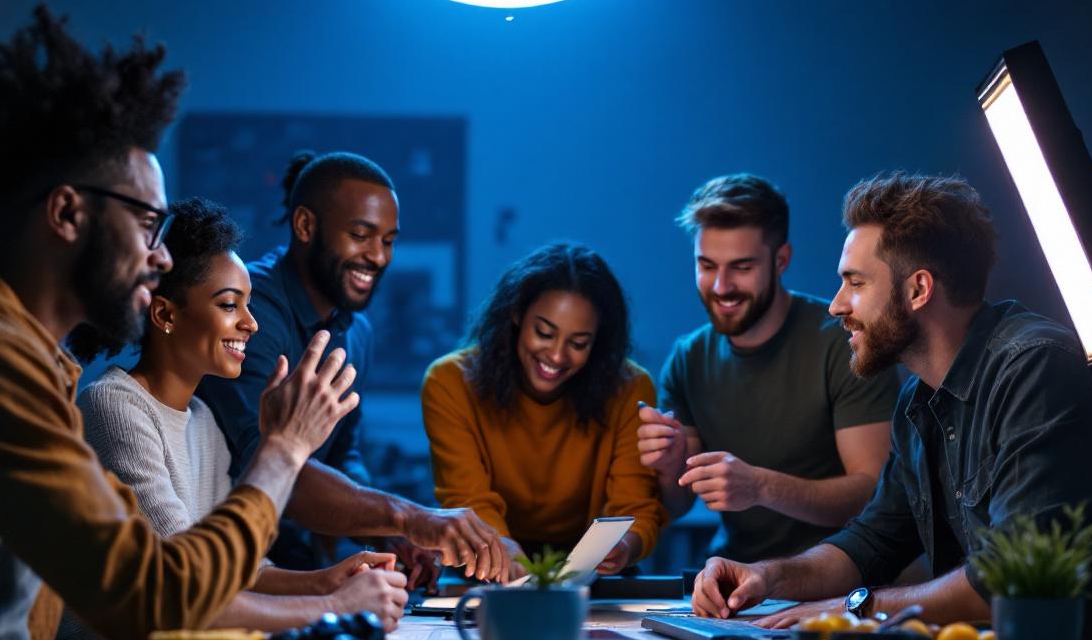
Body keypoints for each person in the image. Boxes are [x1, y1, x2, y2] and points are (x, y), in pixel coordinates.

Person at [0, 8, 480, 640]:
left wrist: (323, 584)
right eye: (146, 224)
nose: (162, 257)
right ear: (67, 213)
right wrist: (283, 450)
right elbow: (154, 602)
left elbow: (153, 570)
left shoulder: (27, 359)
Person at [690, 173, 1092, 640]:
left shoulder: (1037, 369)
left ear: (918, 290)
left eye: (855, 283)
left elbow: (1008, 578)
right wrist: (767, 576)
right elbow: (872, 542)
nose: (836, 306)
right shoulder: (919, 400)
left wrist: (853, 608)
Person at [58, 196, 407, 640]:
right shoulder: (113, 407)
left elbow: (237, 568)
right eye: (229, 305)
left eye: (248, 305)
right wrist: (334, 606)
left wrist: (328, 580)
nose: (250, 324)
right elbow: (187, 586)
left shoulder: (202, 419)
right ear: (165, 315)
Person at [198, 151, 506, 582]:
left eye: (388, 240)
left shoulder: (357, 329)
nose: (378, 256)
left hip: (297, 565)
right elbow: (265, 464)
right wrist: (405, 517)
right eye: (361, 235)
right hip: (225, 566)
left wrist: (384, 534)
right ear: (305, 226)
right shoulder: (251, 313)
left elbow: (345, 453)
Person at [637, 173, 901, 564]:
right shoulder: (687, 359)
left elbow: (874, 496)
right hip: (735, 573)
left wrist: (761, 486)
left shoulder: (846, 341)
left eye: (741, 267)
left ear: (781, 260)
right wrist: (668, 464)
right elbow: (677, 504)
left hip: (842, 573)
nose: (721, 286)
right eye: (707, 266)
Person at [422, 243, 668, 579]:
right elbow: (467, 499)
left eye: (578, 343)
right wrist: (507, 555)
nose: (556, 356)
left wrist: (624, 546)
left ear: (598, 341)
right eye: (544, 333)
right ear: (516, 314)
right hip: (489, 561)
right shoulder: (449, 381)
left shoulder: (630, 388)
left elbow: (636, 506)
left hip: (591, 575)